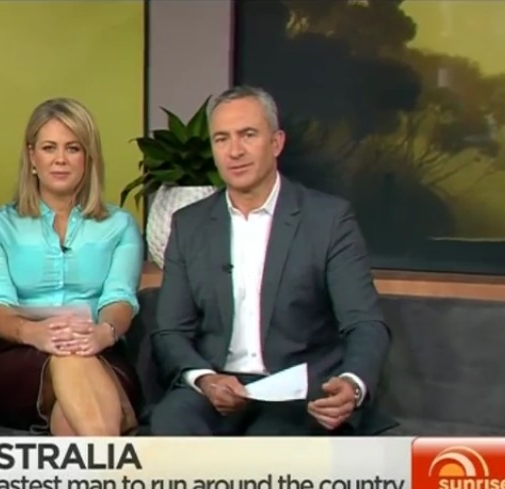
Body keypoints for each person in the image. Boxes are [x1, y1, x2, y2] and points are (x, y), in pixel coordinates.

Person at [148, 85, 393, 437]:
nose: (235, 151)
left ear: (276, 143)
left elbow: (365, 322)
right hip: (217, 387)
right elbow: (170, 330)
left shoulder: (328, 219)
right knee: (170, 423)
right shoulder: (189, 225)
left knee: (269, 446)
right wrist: (204, 379)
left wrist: (352, 384)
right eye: (222, 139)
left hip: (298, 392)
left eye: (248, 135)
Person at [0, 98, 144, 436]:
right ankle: (110, 459)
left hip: (99, 350)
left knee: (70, 412)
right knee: (69, 357)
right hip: (19, 355)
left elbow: (119, 298)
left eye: (73, 148)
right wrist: (35, 333)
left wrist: (103, 333)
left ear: (88, 158)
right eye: (49, 148)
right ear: (32, 156)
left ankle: (97, 461)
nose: (60, 159)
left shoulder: (120, 225)